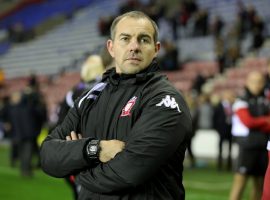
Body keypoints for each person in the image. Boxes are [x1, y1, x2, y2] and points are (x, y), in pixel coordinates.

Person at [40, 11, 192, 199]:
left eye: (144, 40)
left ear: (156, 49)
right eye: (125, 39)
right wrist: (95, 149)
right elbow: (48, 155)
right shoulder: (91, 96)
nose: (134, 47)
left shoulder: (166, 100)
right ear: (111, 48)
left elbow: (128, 172)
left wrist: (76, 170)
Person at [229, 71, 270, 200]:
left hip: (263, 146)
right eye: (253, 81)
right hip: (247, 147)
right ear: (247, 82)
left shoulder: (266, 100)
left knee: (260, 185)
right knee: (239, 184)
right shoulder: (241, 100)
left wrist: (260, 122)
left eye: (260, 81)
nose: (257, 85)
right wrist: (266, 120)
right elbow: (248, 122)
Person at [213, 90, 235, 171]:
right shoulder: (219, 106)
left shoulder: (233, 105)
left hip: (230, 130)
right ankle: (220, 165)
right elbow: (214, 118)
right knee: (220, 148)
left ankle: (229, 165)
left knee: (230, 148)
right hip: (222, 130)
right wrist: (217, 129)